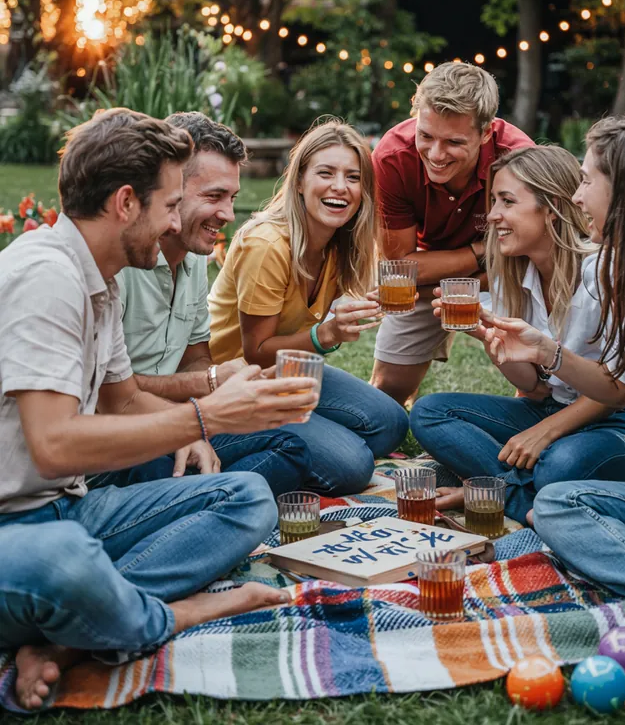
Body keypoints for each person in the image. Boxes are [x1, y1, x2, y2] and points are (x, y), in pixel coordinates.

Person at [0, 109, 320, 710]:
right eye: (171, 206)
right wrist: (207, 416)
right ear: (126, 203)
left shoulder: (103, 277)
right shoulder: (46, 275)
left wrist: (191, 436)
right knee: (62, 562)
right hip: (20, 529)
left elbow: (122, 400)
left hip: (62, 508)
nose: (177, 222)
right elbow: (54, 444)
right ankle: (169, 615)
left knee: (245, 495)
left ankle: (74, 631)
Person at [482, 115, 625, 710]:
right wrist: (542, 352)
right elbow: (608, 382)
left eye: (587, 180)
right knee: (559, 505)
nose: (578, 195)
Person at [409, 145, 625, 524]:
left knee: (558, 462)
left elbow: (620, 390)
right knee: (430, 412)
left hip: (622, 421)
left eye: (507, 201)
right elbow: (535, 387)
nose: (492, 216)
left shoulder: (606, 273)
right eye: (493, 201)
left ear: (552, 207)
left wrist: (545, 432)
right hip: (551, 407)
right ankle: (525, 497)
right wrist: (486, 335)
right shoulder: (513, 274)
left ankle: (494, 491)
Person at [105, 112, 311, 495]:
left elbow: (196, 356)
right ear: (170, 188)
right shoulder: (118, 262)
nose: (228, 215)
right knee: (155, 470)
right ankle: (221, 501)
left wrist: (229, 391)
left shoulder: (196, 256)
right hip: (121, 428)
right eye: (214, 196)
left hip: (181, 416)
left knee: (291, 446)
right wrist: (209, 385)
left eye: (231, 198)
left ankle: (207, 499)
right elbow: (112, 395)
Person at [210, 119, 409, 495]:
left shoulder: (338, 243)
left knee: (392, 423)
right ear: (299, 181)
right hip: (236, 382)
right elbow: (254, 354)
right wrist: (326, 334)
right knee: (352, 465)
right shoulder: (267, 244)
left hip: (288, 374)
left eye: (353, 177)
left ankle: (299, 439)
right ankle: (234, 462)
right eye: (326, 173)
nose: (340, 187)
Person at [370, 61, 533, 405]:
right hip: (430, 279)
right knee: (387, 395)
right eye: (426, 136)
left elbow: (527, 257)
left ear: (487, 131)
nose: (436, 154)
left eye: (454, 142)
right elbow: (400, 265)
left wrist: (475, 272)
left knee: (538, 383)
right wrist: (478, 253)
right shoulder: (392, 158)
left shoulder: (519, 159)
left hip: (504, 276)